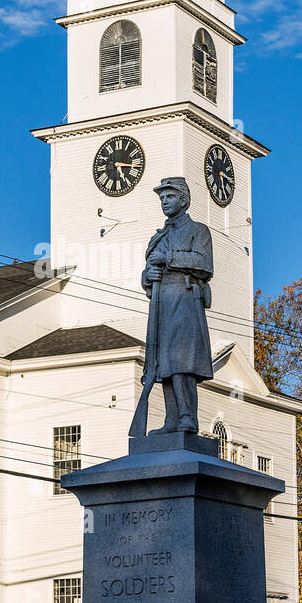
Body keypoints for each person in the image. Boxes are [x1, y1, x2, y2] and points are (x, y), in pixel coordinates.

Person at [137, 176, 213, 433]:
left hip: (185, 298)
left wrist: (168, 258)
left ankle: (187, 417)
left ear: (183, 199)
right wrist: (147, 277)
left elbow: (204, 264)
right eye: (161, 198)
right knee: (164, 363)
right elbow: (147, 271)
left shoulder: (198, 231)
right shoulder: (157, 238)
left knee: (182, 361)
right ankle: (172, 421)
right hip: (161, 304)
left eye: (169, 196)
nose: (164, 202)